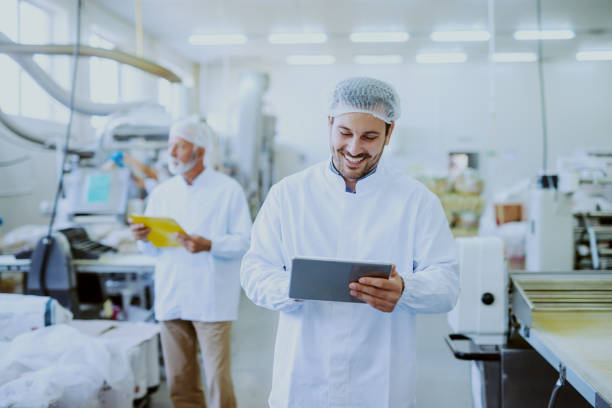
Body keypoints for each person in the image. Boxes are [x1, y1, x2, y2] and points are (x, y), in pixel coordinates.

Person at [240, 77, 459, 408]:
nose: (355, 148)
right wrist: (291, 287)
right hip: (303, 380)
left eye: (370, 136)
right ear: (329, 124)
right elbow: (254, 269)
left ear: (389, 133)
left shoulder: (416, 201)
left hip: (379, 384)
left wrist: (405, 290)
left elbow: (447, 283)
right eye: (345, 133)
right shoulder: (288, 195)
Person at [130, 118, 251, 408]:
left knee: (218, 381)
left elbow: (246, 242)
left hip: (211, 297)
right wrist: (143, 238)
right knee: (179, 380)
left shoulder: (228, 190)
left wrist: (209, 244)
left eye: (179, 147)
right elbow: (152, 252)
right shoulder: (162, 193)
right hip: (172, 294)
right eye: (170, 147)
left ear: (199, 150)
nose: (171, 154)